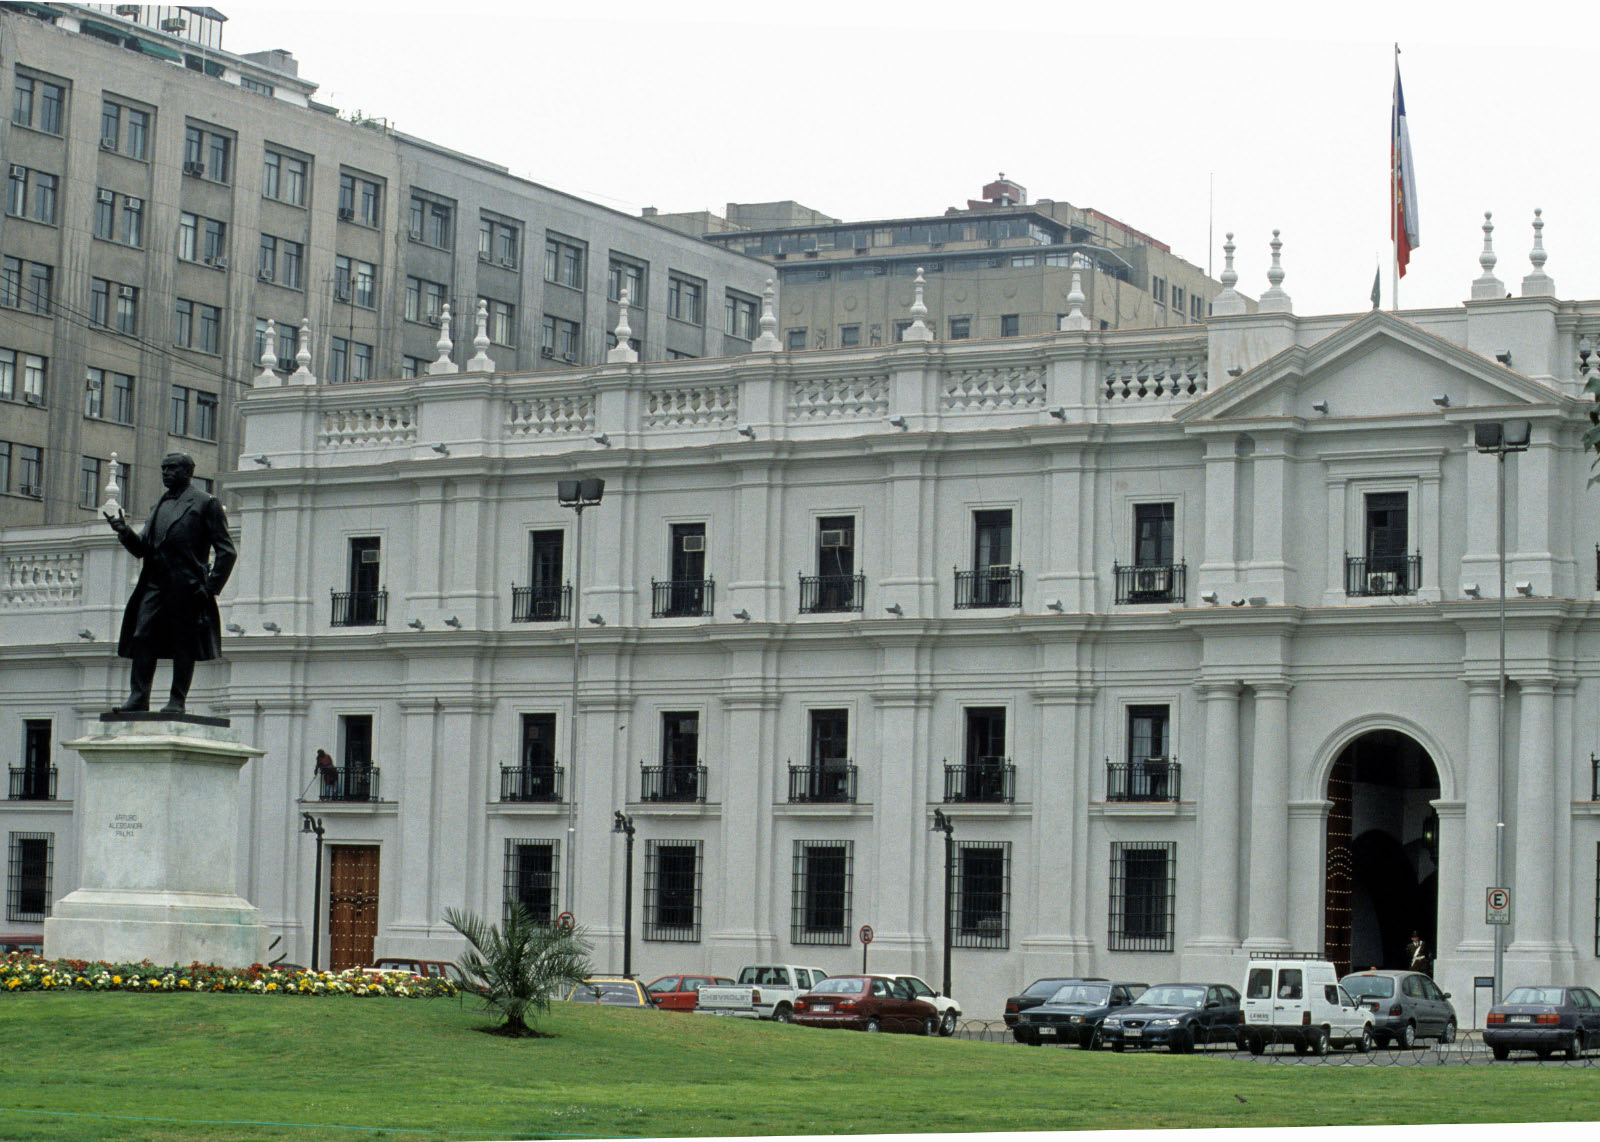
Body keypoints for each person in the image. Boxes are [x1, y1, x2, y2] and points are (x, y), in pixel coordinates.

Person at [105, 452, 236, 714]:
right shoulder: (158, 506)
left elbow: (227, 552)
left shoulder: (205, 503)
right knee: (142, 636)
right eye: (164, 468)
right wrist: (123, 531)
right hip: (154, 584)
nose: (166, 473)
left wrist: (209, 589)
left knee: (182, 643)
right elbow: (143, 549)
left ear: (188, 472)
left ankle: (177, 700)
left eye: (172, 469)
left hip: (187, 587)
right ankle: (139, 697)